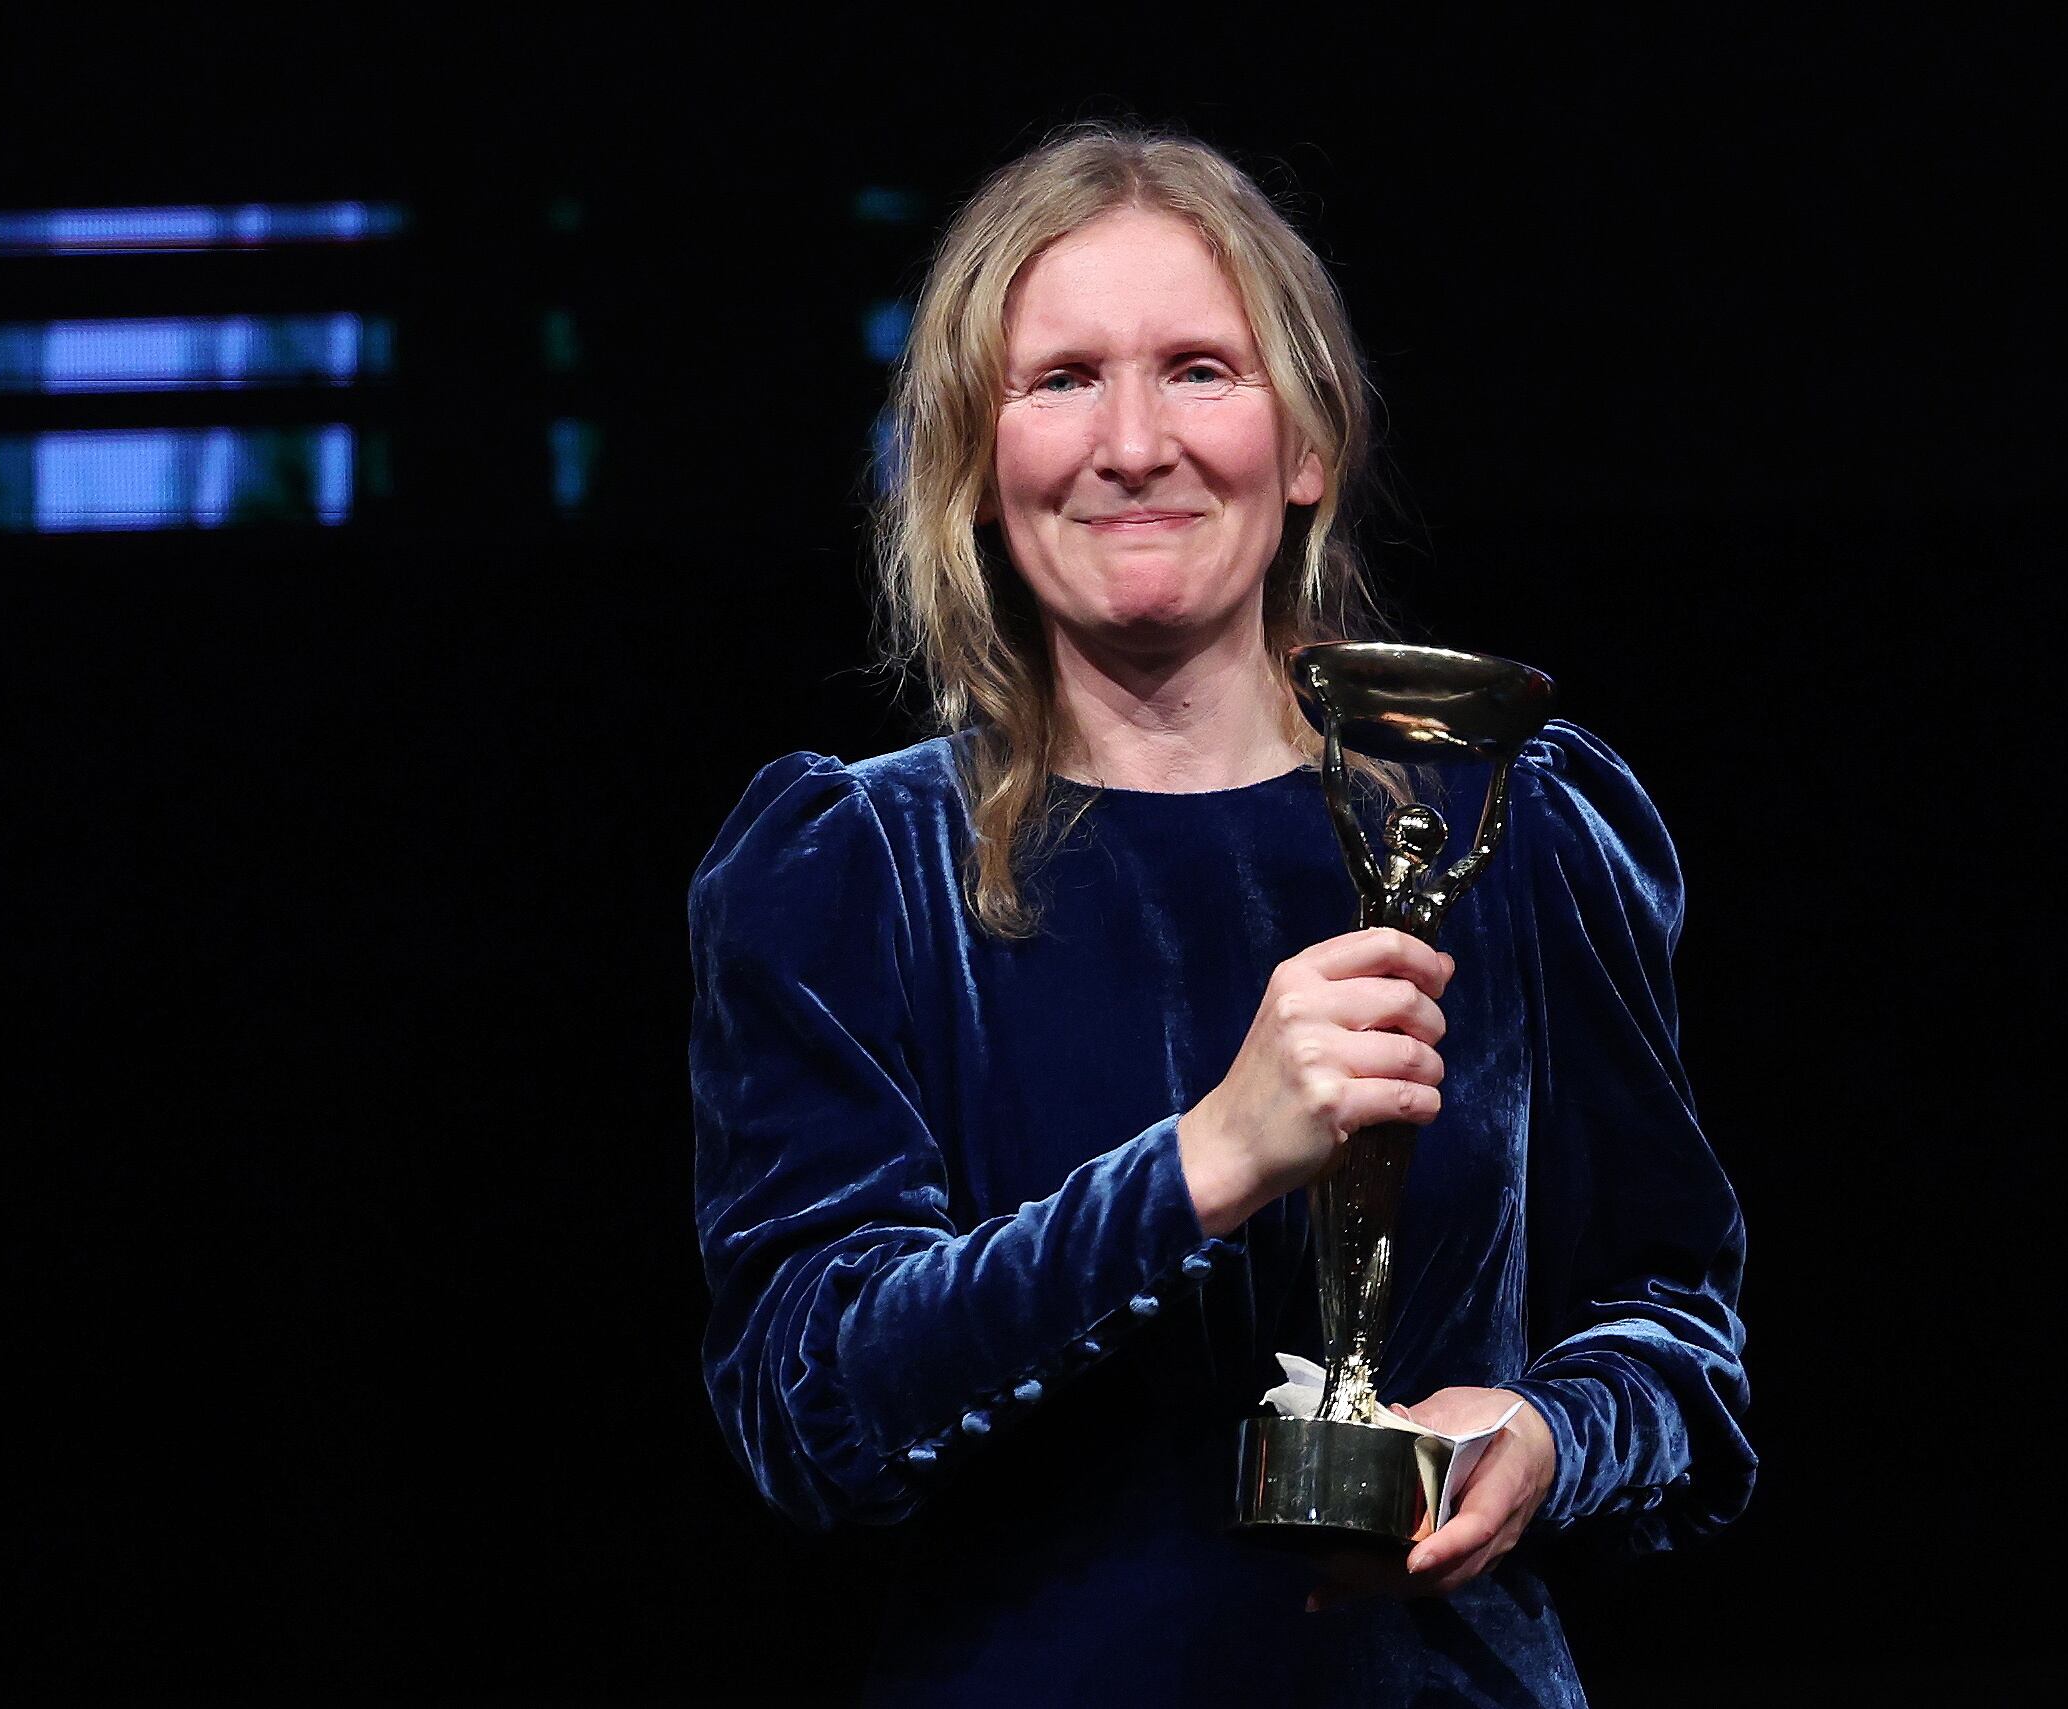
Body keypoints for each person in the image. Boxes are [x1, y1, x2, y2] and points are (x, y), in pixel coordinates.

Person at [690, 124, 1752, 1707]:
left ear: (1308, 439)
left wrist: (1544, 1433)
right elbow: (809, 1412)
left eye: (1198, 368)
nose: (1131, 443)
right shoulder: (853, 864)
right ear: (976, 457)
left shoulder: (1510, 821)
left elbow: (1676, 1323)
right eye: (1058, 381)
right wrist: (1207, 1158)